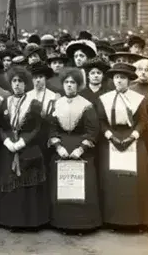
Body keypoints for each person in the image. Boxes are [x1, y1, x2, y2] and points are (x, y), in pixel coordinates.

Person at [97, 63, 148, 231]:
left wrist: (133, 136)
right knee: (113, 180)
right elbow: (101, 121)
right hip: (111, 138)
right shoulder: (105, 98)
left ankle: (137, 221)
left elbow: (143, 120)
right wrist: (110, 136)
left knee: (135, 179)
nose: (119, 81)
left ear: (129, 80)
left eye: (123, 78)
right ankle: (113, 220)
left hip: (133, 138)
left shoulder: (138, 98)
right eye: (116, 77)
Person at [47, 67, 102, 231]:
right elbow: (51, 127)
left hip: (81, 148)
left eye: (73, 82)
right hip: (62, 148)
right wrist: (57, 146)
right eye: (66, 82)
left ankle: (83, 223)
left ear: (78, 85)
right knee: (62, 185)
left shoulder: (87, 105)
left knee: (82, 185)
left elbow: (93, 130)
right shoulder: (56, 103)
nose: (69, 85)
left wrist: (81, 149)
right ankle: (61, 222)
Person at [0, 66, 49, 229]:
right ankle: (12, 221)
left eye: (20, 81)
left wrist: (23, 142)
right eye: (14, 81)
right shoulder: (5, 102)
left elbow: (38, 127)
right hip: (9, 148)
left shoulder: (34, 103)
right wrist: (6, 141)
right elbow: (0, 126)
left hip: (28, 148)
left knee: (29, 183)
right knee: (11, 183)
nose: (17, 84)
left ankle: (31, 221)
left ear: (26, 84)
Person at [131, 57, 148, 221]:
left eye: (147, 70)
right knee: (140, 171)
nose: (143, 72)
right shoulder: (131, 89)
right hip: (138, 134)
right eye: (140, 69)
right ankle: (138, 212)